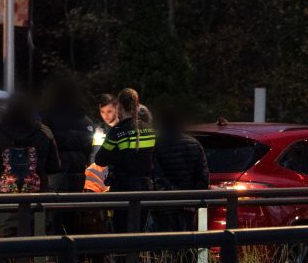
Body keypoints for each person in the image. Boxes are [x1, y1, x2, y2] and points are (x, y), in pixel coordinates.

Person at [0, 93, 61, 235]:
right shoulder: (43, 133)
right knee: (35, 241)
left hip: (6, 205)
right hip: (35, 201)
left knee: (6, 241)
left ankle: (6, 258)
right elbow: (54, 166)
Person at [95, 88, 157, 232]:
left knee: (122, 234)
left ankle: (124, 255)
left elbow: (100, 160)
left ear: (120, 107)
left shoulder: (117, 131)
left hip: (123, 190)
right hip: (146, 189)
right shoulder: (149, 130)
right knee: (141, 231)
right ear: (137, 105)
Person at [152, 108, 209, 232]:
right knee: (189, 243)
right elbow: (203, 176)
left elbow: (158, 177)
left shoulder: (157, 145)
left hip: (166, 206)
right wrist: (192, 200)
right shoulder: (195, 144)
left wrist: (177, 198)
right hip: (189, 207)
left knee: (167, 244)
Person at [41, 78, 95, 194]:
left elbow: (43, 146)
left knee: (56, 208)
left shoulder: (47, 117)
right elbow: (89, 149)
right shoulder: (85, 120)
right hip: (79, 174)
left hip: (55, 174)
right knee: (75, 207)